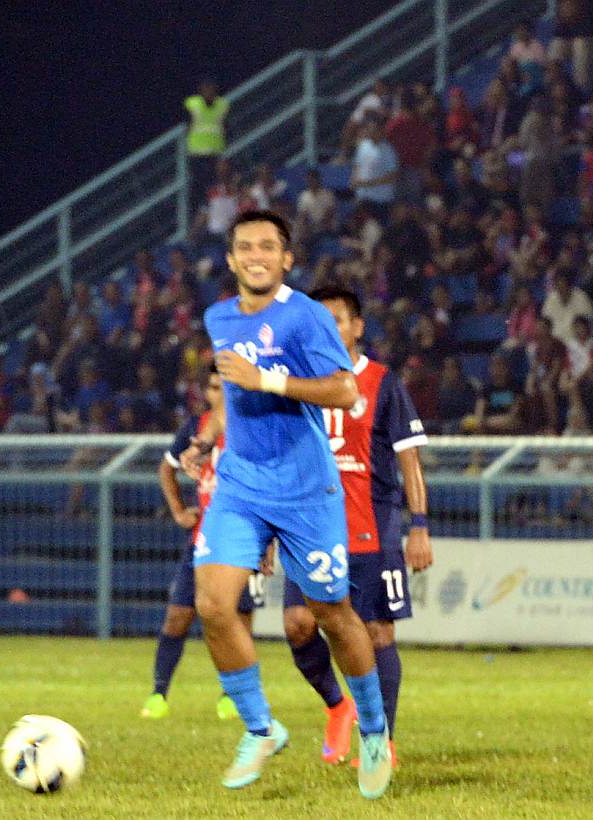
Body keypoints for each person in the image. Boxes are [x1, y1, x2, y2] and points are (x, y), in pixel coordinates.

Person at [179, 210, 392, 797]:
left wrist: (265, 380)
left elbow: (345, 391)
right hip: (242, 487)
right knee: (214, 605)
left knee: (332, 614)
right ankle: (260, 726)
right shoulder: (217, 316)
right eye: (244, 246)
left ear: (286, 258)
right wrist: (206, 442)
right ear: (230, 259)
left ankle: (373, 730)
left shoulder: (305, 317)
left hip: (306, 491)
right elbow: (232, 397)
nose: (256, 255)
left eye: (268, 247)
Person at [279, 286, 433, 770]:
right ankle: (337, 706)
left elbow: (410, 461)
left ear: (357, 326)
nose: (330, 329)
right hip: (310, 527)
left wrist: (420, 526)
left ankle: (380, 741)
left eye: (338, 320)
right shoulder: (299, 384)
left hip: (372, 525)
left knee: (377, 634)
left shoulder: (384, 383)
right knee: (299, 624)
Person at [140, 366, 264, 721]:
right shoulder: (197, 429)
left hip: (243, 541)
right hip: (203, 542)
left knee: (238, 622)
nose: (219, 393)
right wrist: (179, 511)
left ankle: (233, 697)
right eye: (212, 387)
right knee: (178, 616)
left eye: (225, 386)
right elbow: (166, 469)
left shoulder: (251, 427)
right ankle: (158, 694)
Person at [184, 78, 229, 209]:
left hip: (216, 152)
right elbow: (186, 125)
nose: (209, 92)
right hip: (197, 153)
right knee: (199, 184)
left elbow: (226, 125)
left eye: (212, 89)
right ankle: (198, 209)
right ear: (200, 91)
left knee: (215, 183)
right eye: (206, 89)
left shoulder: (222, 105)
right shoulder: (193, 104)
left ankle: (210, 208)